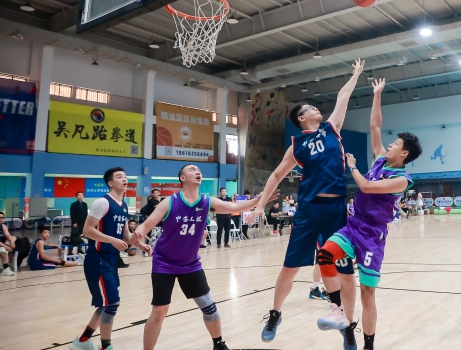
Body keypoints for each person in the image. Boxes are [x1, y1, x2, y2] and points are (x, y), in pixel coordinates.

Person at [250, 58, 365, 347]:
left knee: (345, 272)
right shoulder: (297, 145)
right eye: (310, 108)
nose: (316, 110)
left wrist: (355, 75)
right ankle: (275, 314)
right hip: (309, 210)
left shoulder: (332, 128)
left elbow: (343, 97)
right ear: (301, 118)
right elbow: (277, 174)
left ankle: (347, 325)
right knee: (290, 268)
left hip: (336, 211)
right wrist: (260, 204)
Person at [316, 77, 421, 350]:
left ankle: (368, 345)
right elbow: (375, 125)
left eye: (395, 144)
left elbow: (366, 186)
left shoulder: (402, 180)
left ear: (404, 153)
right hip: (353, 226)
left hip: (373, 236)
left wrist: (352, 166)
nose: (389, 145)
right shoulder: (379, 158)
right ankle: (338, 311)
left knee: (367, 294)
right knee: (325, 255)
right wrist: (377, 94)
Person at [132, 165, 279, 350]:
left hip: (190, 264)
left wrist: (259, 200)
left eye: (199, 170)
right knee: (160, 310)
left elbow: (235, 206)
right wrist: (137, 234)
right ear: (182, 178)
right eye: (192, 169)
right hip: (164, 263)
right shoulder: (169, 202)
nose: (197, 172)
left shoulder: (206, 202)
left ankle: (219, 344)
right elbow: (145, 225)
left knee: (209, 307)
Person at [69, 167, 150, 350]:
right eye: (120, 177)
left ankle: (82, 341)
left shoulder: (124, 206)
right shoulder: (102, 203)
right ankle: (106, 346)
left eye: (126, 176)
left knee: (106, 304)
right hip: (97, 259)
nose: (125, 179)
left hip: (112, 260)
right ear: (110, 183)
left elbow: (126, 235)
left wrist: (140, 245)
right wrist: (112, 240)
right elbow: (87, 230)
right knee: (112, 303)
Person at [0, 211, 16, 276]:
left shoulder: (3, 226)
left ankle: (6, 269)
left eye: (2, 218)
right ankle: (6, 269)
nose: (1, 219)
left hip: (2, 244)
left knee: (13, 237)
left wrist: (12, 242)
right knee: (4, 249)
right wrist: (6, 247)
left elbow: (8, 235)